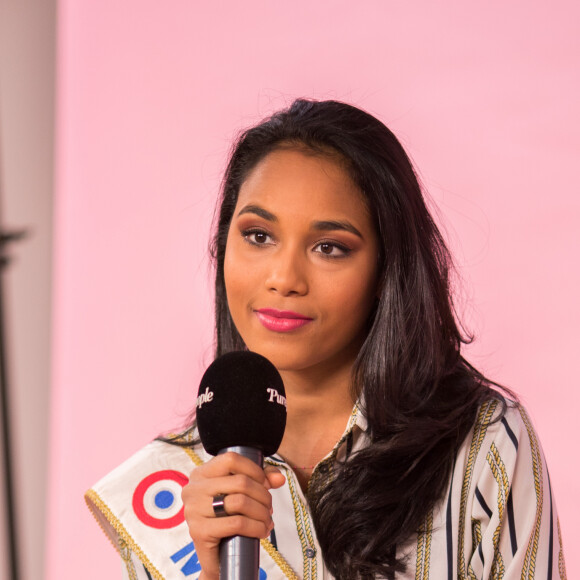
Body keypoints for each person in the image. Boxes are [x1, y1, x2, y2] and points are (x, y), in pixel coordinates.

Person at [86, 99, 566, 580]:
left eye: (329, 247)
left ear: (386, 269)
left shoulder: (482, 445)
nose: (284, 278)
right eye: (258, 236)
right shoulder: (175, 487)